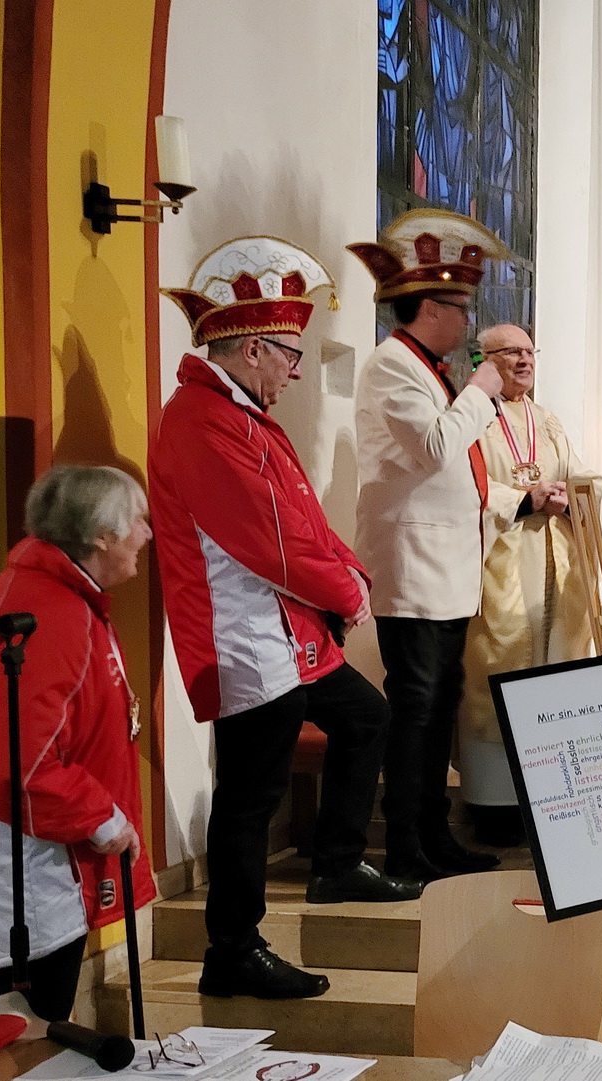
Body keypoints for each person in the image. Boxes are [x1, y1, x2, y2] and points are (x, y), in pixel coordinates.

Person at [155, 236, 420, 1001]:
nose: (299, 370)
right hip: (247, 638)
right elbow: (266, 539)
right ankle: (231, 949)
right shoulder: (200, 419)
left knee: (367, 718)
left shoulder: (236, 409)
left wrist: (348, 570)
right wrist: (343, 589)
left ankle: (337, 863)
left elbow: (296, 512)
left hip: (288, 630)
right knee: (250, 795)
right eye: (291, 354)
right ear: (250, 350)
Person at [0, 465, 155, 1022]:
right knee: (28, 1022)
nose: (147, 535)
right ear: (100, 536)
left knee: (37, 1019)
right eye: (137, 522)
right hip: (31, 864)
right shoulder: (53, 614)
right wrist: (103, 818)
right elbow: (14, 763)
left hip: (49, 856)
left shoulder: (63, 599)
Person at [349, 209, 510, 883]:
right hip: (412, 570)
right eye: (459, 307)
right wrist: (480, 390)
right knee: (415, 708)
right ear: (431, 307)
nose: (467, 321)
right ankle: (406, 843)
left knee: (439, 703)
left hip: (445, 569)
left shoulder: (430, 367)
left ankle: (434, 834)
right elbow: (436, 447)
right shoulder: (393, 366)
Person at [457, 322, 602, 846]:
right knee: (494, 673)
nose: (524, 360)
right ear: (485, 360)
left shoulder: (548, 420)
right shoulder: (472, 417)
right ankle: (493, 804)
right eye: (511, 352)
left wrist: (569, 495)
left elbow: (586, 479)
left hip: (551, 562)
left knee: (552, 675)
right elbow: (461, 485)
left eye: (528, 352)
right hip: (498, 563)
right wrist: (522, 498)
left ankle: (549, 803)